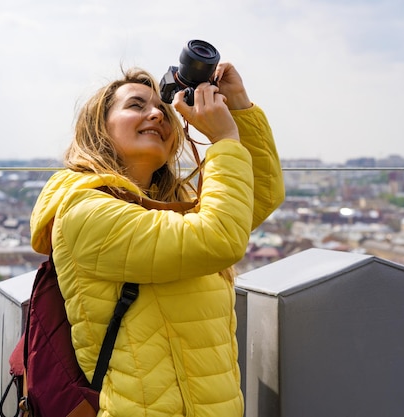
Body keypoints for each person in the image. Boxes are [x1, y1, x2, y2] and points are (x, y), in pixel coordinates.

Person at [30, 61, 285, 416]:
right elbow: (220, 239)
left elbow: (259, 194)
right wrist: (224, 140)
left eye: (163, 110)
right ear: (98, 128)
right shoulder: (83, 210)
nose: (156, 115)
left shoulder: (169, 204)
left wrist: (239, 105)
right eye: (136, 105)